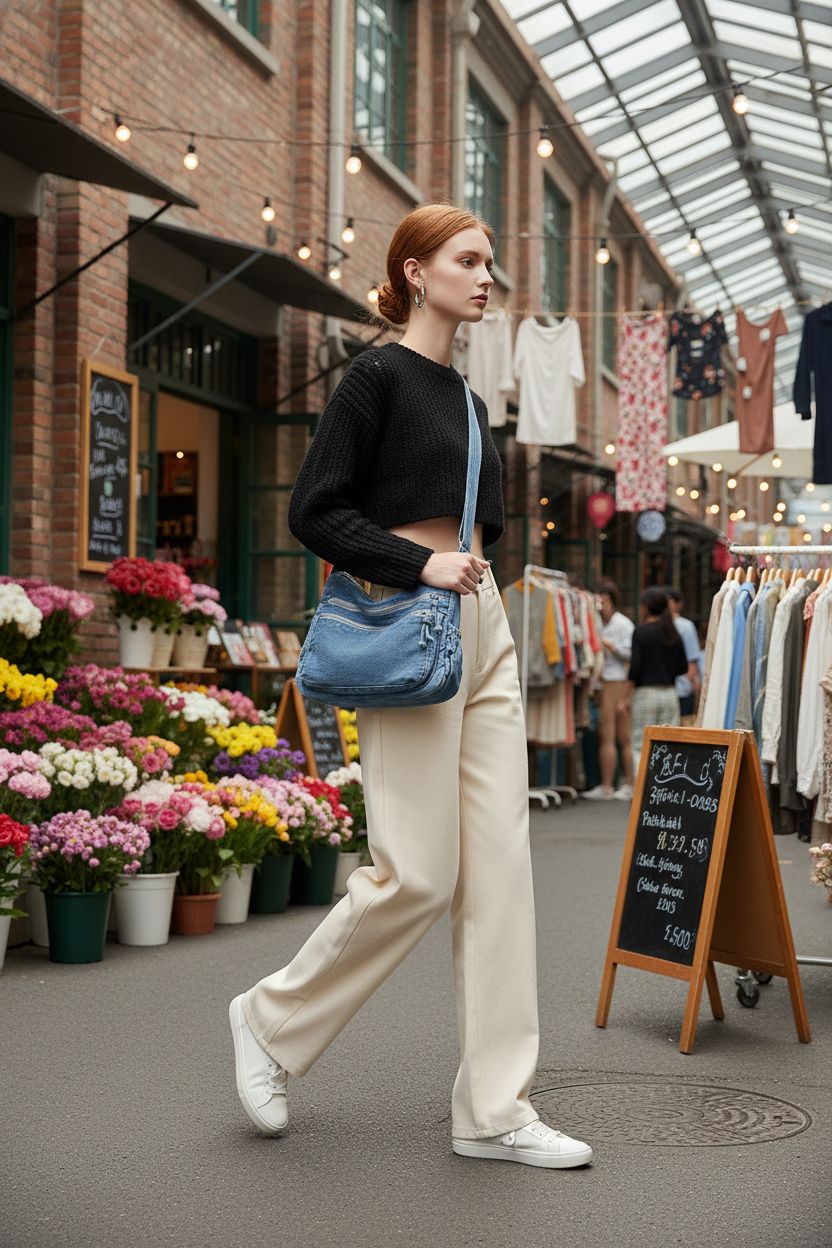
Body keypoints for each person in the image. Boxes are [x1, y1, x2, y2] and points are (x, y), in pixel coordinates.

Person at [227, 203, 593, 1171]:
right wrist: (413, 564)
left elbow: (490, 529)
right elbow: (316, 510)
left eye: (488, 261)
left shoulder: (473, 404)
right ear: (415, 270)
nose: (485, 278)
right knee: (418, 873)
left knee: (500, 877)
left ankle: (494, 1109)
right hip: (409, 620)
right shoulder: (375, 376)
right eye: (468, 260)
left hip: (486, 628)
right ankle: (269, 1020)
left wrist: (463, 574)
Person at [618, 587, 688, 773]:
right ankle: (664, 793)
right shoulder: (673, 632)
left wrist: (624, 699)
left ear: (647, 607)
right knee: (668, 745)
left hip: (646, 694)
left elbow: (635, 669)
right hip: (670, 694)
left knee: (641, 745)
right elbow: (683, 667)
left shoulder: (641, 632)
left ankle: (643, 794)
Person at [584, 579, 634, 801]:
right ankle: (609, 784)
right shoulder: (597, 623)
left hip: (617, 681)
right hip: (604, 681)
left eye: (603, 599)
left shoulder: (622, 624)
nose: (600, 604)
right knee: (608, 734)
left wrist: (608, 645)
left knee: (617, 735)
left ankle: (618, 784)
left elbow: (631, 654)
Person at [665, 587, 702, 719]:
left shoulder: (685, 626)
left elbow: (692, 661)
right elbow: (692, 659)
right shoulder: (686, 626)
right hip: (681, 688)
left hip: (673, 687)